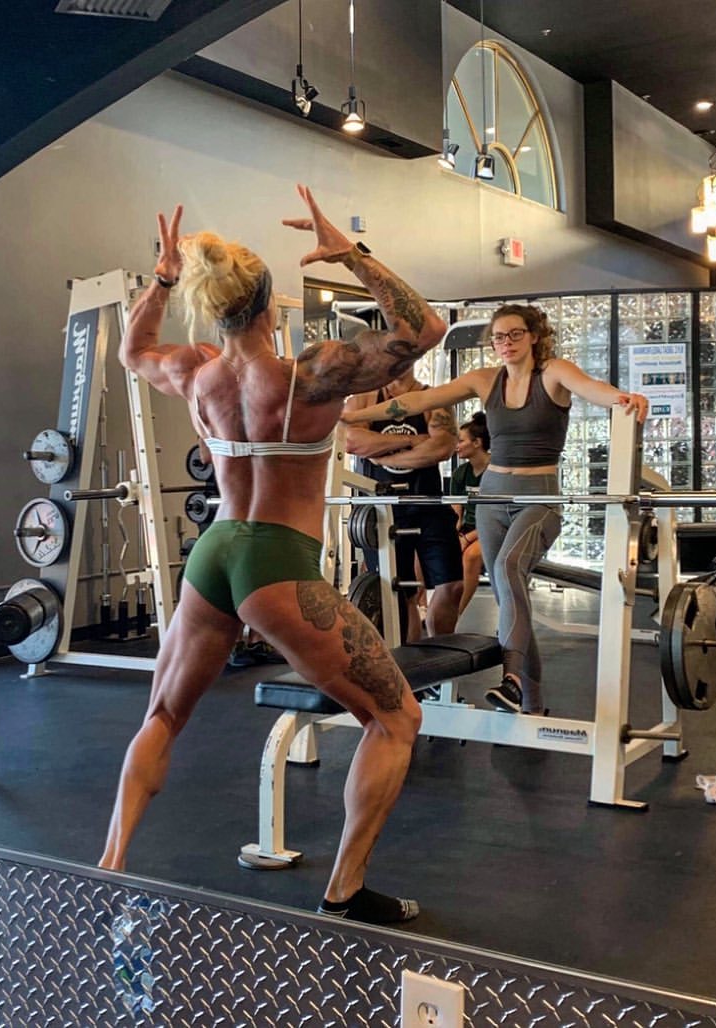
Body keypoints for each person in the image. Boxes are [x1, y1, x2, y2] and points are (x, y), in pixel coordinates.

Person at [98, 185, 448, 924]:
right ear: (265, 305)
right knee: (396, 719)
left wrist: (161, 281)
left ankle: (110, 865)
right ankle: (344, 892)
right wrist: (350, 253)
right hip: (277, 562)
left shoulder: (196, 370)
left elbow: (132, 351)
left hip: (214, 552)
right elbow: (423, 330)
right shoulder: (308, 375)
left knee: (162, 714)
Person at [343, 303, 648, 715]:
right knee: (509, 597)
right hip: (491, 499)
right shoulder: (486, 380)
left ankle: (513, 681)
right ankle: (532, 703)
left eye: (515, 334)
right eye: (499, 337)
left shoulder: (553, 373)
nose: (506, 343)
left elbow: (591, 387)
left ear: (534, 335)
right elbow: (417, 401)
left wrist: (623, 399)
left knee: (506, 569)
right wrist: (352, 415)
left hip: (538, 498)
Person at [343, 370, 463, 639]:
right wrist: (411, 441)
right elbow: (351, 440)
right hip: (382, 511)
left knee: (452, 585)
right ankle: (407, 659)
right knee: (399, 593)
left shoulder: (433, 399)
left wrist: (384, 456)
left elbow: (442, 447)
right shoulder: (363, 400)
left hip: (428, 504)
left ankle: (441, 654)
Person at [449, 413, 490, 619]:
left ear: (477, 443)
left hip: (494, 528)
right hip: (469, 529)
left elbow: (495, 517)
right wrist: (452, 537)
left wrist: (466, 539)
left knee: (471, 556)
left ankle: (455, 615)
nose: (456, 446)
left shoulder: (495, 472)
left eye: (461, 441)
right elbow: (457, 512)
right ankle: (422, 606)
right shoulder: (460, 473)